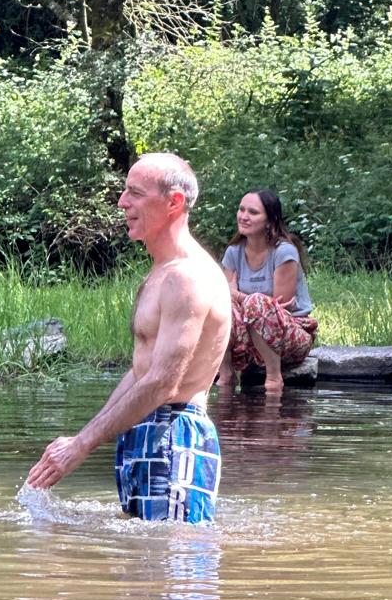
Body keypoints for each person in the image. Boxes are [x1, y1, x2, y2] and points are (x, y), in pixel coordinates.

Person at [25, 152, 231, 522]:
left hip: (175, 433)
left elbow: (164, 383)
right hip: (144, 429)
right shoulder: (159, 274)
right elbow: (141, 372)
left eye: (135, 193)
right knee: (138, 556)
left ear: (174, 202)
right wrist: (80, 440)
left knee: (175, 553)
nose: (122, 202)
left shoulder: (188, 278)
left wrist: (83, 444)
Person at [219, 187, 317, 392]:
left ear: (270, 221)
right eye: (241, 209)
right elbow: (226, 300)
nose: (243, 216)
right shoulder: (233, 252)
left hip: (290, 336)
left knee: (257, 303)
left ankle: (273, 378)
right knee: (218, 304)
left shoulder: (284, 252)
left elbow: (279, 307)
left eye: (253, 212)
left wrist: (237, 294)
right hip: (248, 337)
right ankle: (225, 374)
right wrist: (229, 297)